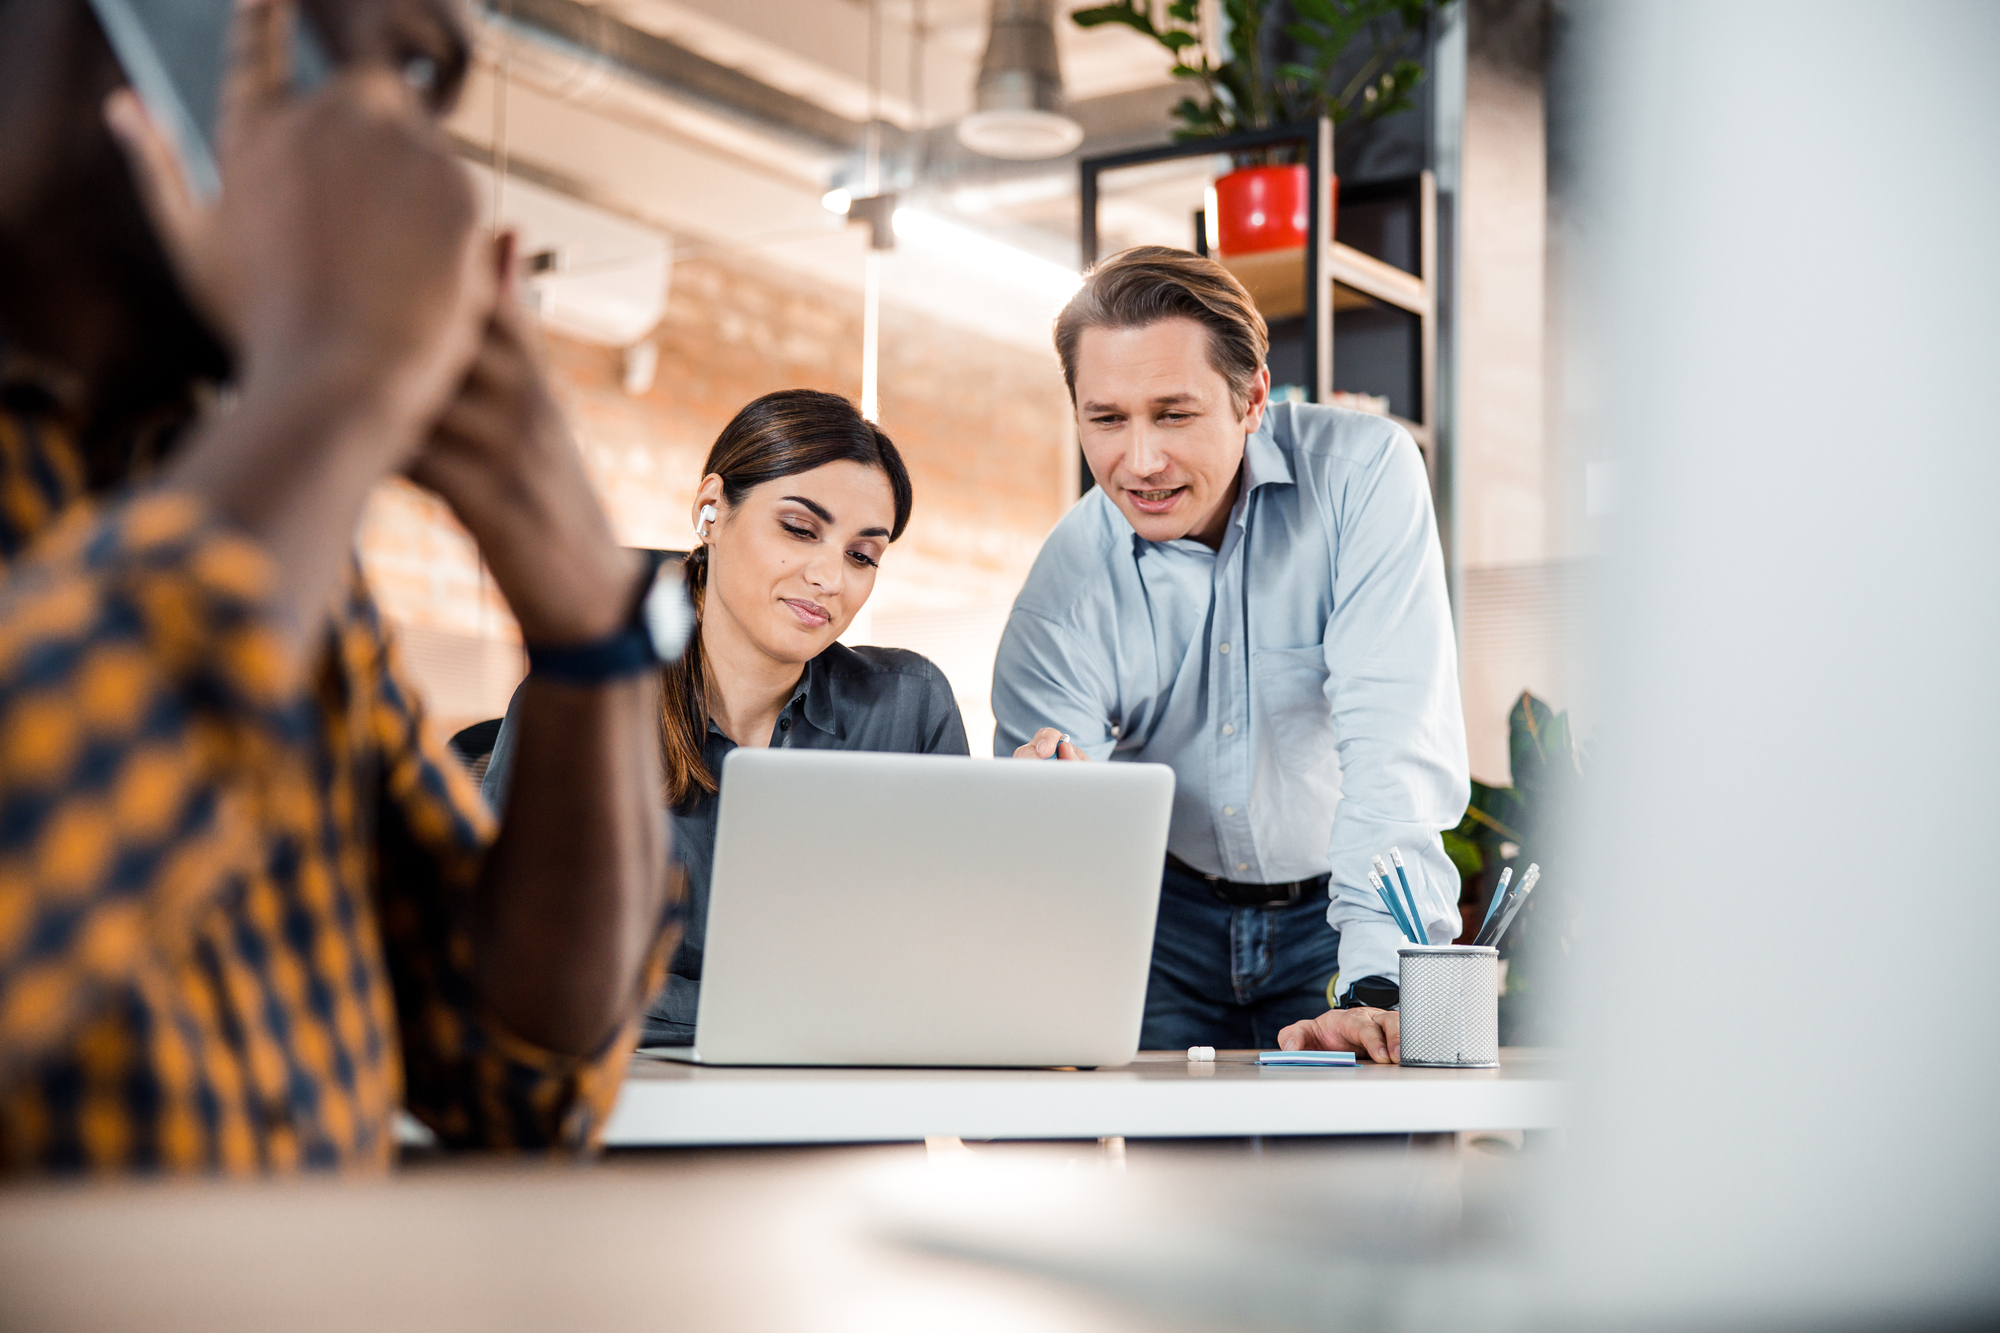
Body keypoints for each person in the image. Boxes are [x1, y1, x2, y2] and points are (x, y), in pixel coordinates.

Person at [0, 0, 676, 1172]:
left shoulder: (250, 521)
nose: (400, 156)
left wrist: (593, 633)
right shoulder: (265, 502)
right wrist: (331, 379)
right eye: (343, 49)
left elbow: (523, 1074)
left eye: (413, 80)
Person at [992, 246, 1469, 1060]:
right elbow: (1046, 836)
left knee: (1367, 1173)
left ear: (1252, 398)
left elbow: (1394, 750)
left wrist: (1376, 985)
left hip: (1339, 909)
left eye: (1173, 414)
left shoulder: (1362, 479)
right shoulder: (1069, 581)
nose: (1139, 462)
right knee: (1174, 1182)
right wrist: (1052, 805)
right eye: (1106, 419)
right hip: (1161, 922)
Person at [484, 389, 969, 1047]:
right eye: (800, 528)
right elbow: (501, 955)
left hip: (843, 1101)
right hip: (633, 1098)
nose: (830, 575)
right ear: (711, 507)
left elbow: (945, 964)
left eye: (863, 555)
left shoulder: (909, 706)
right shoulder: (586, 704)